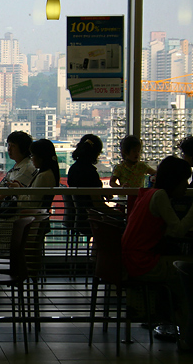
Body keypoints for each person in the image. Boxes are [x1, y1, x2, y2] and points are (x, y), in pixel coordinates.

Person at [121, 156, 193, 350]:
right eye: (184, 181)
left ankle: (178, 325)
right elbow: (178, 230)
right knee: (187, 271)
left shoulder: (147, 194)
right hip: (143, 262)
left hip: (132, 259)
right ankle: (187, 336)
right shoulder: (160, 196)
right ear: (175, 180)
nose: (186, 186)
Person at [0, 131, 37, 212]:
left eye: (13, 146)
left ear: (23, 149)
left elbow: (5, 194)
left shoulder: (26, 169)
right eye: (9, 145)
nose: (9, 149)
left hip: (13, 213)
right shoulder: (18, 166)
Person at [67, 134, 110, 229]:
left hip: (79, 219)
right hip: (92, 220)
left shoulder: (73, 169)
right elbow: (97, 204)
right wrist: (117, 214)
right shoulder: (90, 172)